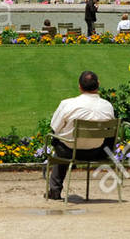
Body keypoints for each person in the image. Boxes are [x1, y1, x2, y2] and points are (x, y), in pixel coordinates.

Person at [45, 70, 116, 200]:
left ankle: (55, 189)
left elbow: (54, 127)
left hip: (69, 152)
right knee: (64, 142)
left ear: (80, 86)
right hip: (96, 152)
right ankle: (55, 189)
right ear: (98, 84)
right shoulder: (108, 106)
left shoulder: (67, 104)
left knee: (58, 141)